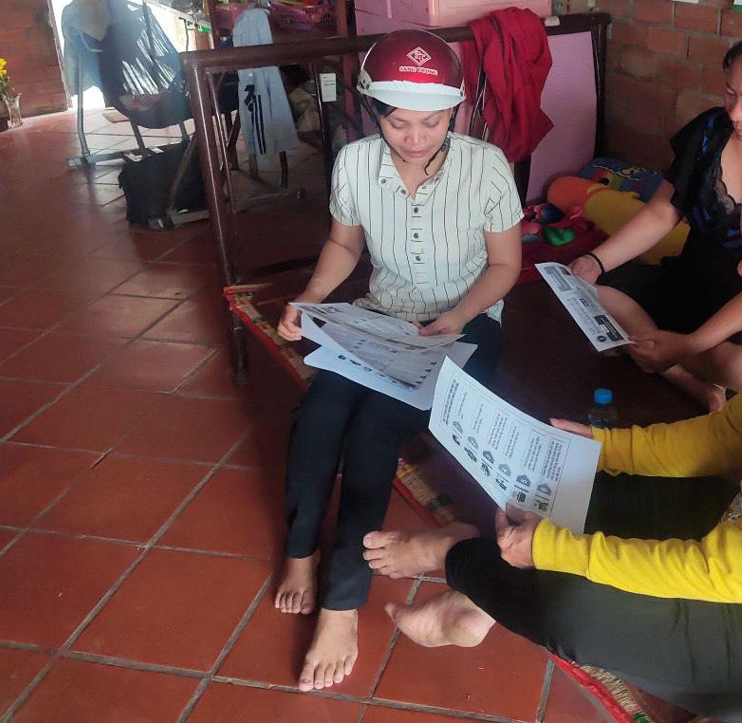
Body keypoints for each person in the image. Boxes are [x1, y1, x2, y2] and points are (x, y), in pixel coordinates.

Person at [372, 137, 742, 722]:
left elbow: (729, 571)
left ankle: (454, 558)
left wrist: (553, 550)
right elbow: (727, 438)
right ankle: (479, 601)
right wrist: (604, 446)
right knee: (575, 485)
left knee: (571, 605)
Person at [273, 29, 522, 692]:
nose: (415, 137)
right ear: (373, 111)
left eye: (432, 122)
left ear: (456, 110)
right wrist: (311, 297)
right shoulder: (355, 162)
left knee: (375, 428)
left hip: (465, 326)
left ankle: (341, 601)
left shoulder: (486, 166)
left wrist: (458, 316)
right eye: (397, 122)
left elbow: (505, 266)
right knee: (319, 411)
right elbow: (344, 245)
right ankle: (300, 549)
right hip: (381, 317)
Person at [570, 14, 742, 411]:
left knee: (739, 368)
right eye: (730, 93)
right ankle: (685, 378)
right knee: (593, 295)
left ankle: (663, 355)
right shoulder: (710, 132)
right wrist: (595, 261)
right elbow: (663, 212)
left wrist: (691, 343)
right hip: (688, 278)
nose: (735, 112)